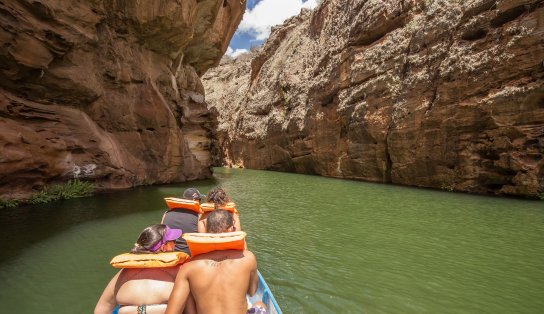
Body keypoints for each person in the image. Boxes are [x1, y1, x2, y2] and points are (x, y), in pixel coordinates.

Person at [166, 210, 266, 314]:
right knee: (260, 305)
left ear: (206, 231)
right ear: (231, 229)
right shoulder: (248, 258)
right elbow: (252, 291)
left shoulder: (188, 266)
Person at [94, 224, 190, 314]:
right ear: (164, 247)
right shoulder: (180, 270)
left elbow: (103, 307)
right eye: (173, 241)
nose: (175, 244)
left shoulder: (124, 272)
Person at [162, 188, 202, 255]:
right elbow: (202, 239)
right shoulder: (199, 217)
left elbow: (161, 234)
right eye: (200, 200)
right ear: (196, 200)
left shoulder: (166, 213)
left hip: (169, 254)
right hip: (189, 256)